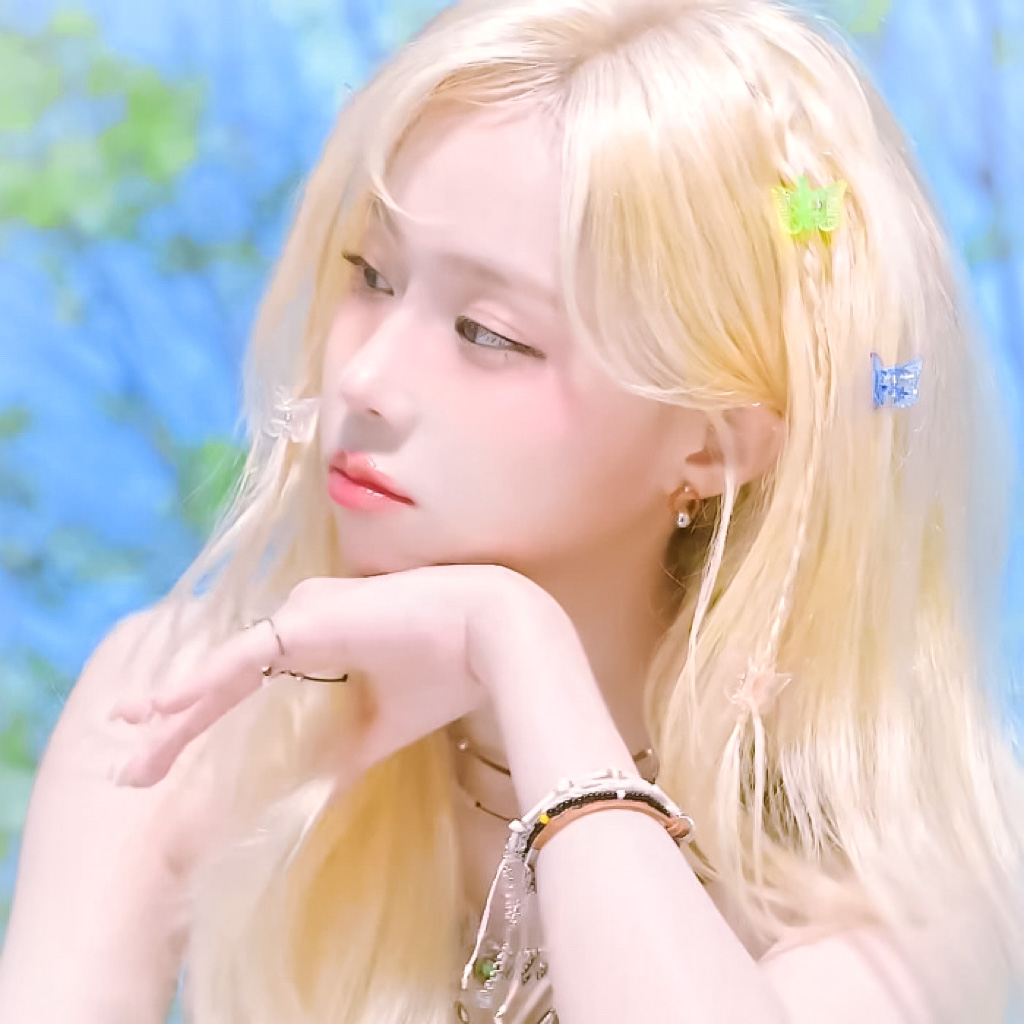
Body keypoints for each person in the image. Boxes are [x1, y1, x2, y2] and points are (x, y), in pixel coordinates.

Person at [1, 0, 1022, 1021]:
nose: (364, 378)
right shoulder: (185, 712)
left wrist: (520, 647)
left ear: (713, 445)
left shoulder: (912, 869)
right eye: (371, 276)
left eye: (488, 333)